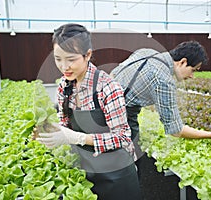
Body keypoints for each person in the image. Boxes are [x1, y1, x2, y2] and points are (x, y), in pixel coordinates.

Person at [35, 23, 142, 200]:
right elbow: (65, 125)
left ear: (88, 55)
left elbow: (123, 137)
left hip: (117, 174)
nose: (64, 67)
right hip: (87, 170)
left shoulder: (107, 87)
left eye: (71, 59)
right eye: (58, 59)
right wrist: (51, 133)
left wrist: (78, 138)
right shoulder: (64, 85)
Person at [110, 41, 211, 188]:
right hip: (121, 118)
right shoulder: (163, 80)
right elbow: (176, 131)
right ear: (182, 62)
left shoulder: (146, 52)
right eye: (194, 70)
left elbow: (114, 73)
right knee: (127, 172)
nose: (192, 76)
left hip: (101, 108)